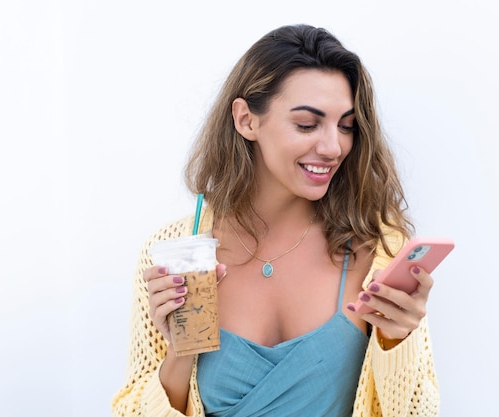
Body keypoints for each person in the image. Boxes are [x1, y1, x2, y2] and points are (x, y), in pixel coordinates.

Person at [112, 24, 440, 417]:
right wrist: (180, 353)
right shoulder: (173, 252)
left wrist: (397, 339)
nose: (334, 146)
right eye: (307, 124)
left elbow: (416, 411)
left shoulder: (378, 250)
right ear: (246, 120)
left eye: (346, 126)